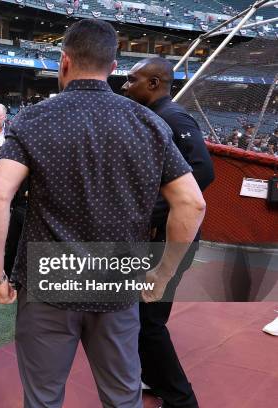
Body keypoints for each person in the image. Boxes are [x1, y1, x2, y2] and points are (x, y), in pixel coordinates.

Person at [0, 19, 206, 408]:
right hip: (115, 278)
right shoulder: (148, 123)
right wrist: (163, 273)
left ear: (64, 61)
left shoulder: (33, 119)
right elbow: (192, 202)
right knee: (122, 398)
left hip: (48, 277)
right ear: (114, 66)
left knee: (43, 399)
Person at [122, 57, 215, 408]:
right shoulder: (153, 117)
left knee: (149, 322)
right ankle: (157, 380)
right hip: (154, 238)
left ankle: (180, 399)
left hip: (168, 239)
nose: (125, 86)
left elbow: (203, 172)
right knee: (143, 319)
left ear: (154, 83)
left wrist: (154, 213)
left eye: (132, 80)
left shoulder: (173, 118)